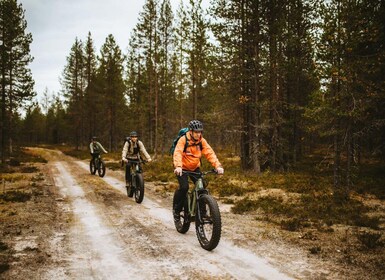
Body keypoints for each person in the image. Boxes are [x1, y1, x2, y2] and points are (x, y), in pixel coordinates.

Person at [172, 120, 224, 221]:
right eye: (196, 132)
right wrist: (178, 166)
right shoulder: (183, 140)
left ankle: (202, 212)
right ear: (190, 132)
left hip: (195, 167)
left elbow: (210, 153)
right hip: (182, 168)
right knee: (184, 187)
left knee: (202, 187)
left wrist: (218, 166)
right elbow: (177, 153)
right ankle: (177, 210)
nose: (198, 134)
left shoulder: (201, 141)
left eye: (200, 132)